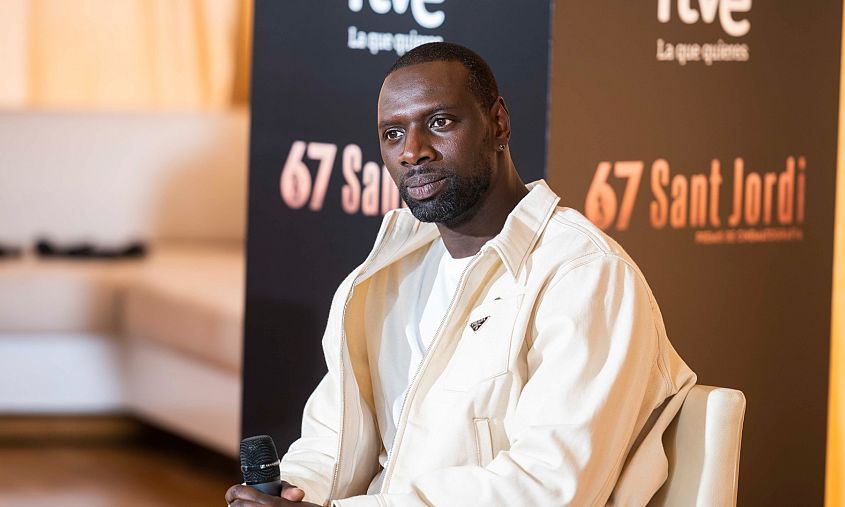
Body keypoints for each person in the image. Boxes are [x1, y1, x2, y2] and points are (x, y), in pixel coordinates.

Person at [226, 42, 695, 507]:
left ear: (498, 123)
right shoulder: (390, 273)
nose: (413, 152)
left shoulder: (585, 275)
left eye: (439, 122)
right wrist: (290, 494)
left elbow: (547, 489)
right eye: (392, 134)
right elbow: (333, 437)